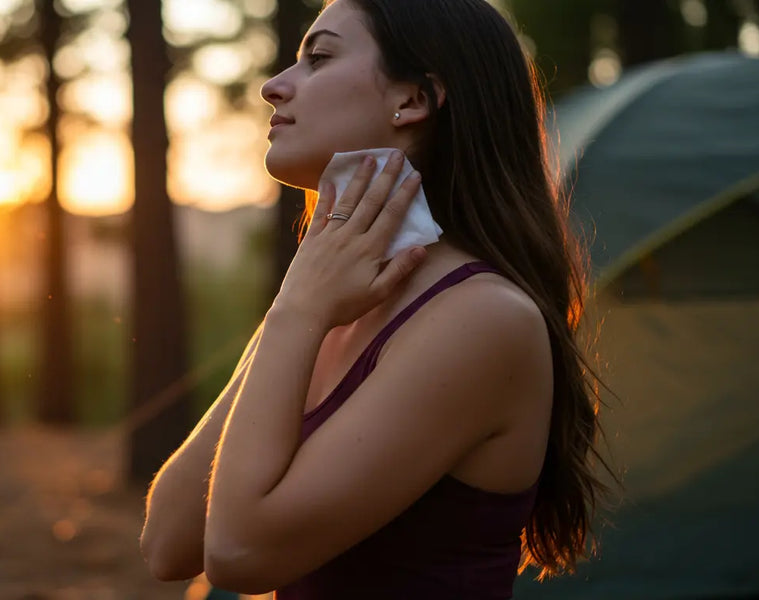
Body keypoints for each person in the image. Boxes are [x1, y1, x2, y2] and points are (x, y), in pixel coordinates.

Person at [139, 0, 612, 596]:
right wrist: (303, 302)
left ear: (413, 100)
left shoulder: (482, 319)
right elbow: (169, 541)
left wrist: (297, 311)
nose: (272, 87)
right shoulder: (332, 302)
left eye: (319, 58)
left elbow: (238, 555)